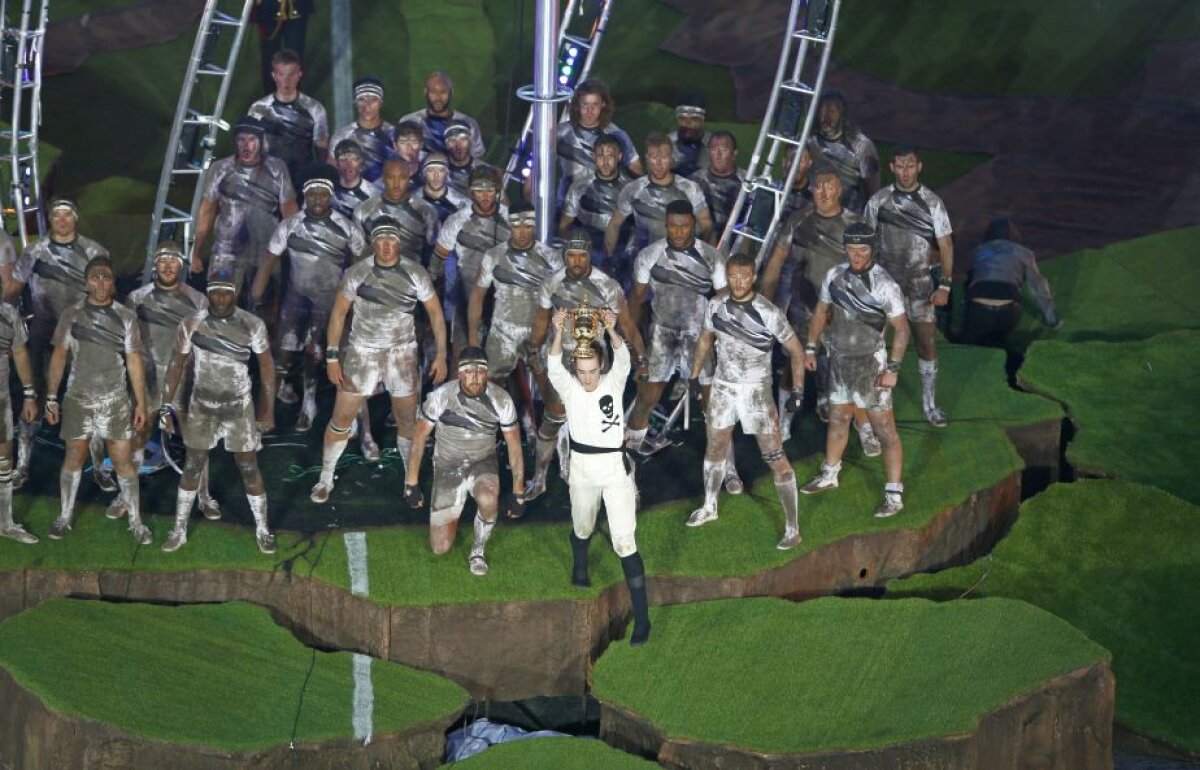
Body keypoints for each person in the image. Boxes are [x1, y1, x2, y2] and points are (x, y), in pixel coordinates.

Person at [310, 218, 448, 503]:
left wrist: (442, 355)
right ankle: (325, 478)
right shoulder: (357, 272)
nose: (386, 245)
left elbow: (435, 313)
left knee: (407, 421)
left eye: (391, 239)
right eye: (380, 239)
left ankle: (410, 482)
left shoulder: (415, 273)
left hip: (402, 354)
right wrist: (333, 356)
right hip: (363, 352)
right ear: (373, 242)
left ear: (399, 241)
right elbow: (338, 314)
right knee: (341, 418)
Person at [685, 252, 805, 550]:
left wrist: (799, 391)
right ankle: (710, 506)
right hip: (724, 387)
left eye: (744, 276)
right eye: (733, 276)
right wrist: (695, 373)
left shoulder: (769, 312)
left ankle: (793, 529)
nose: (738, 282)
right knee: (715, 446)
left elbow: (797, 351)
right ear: (727, 276)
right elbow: (705, 338)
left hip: (756, 391)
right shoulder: (716, 305)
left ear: (753, 277)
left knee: (774, 456)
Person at [547, 306, 650, 647]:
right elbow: (552, 365)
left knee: (624, 542)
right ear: (575, 367)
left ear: (599, 366)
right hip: (581, 469)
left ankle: (643, 620)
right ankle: (580, 569)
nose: (587, 377)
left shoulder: (613, 381)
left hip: (613, 470)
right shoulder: (570, 387)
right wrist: (558, 330)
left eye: (592, 369)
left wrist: (612, 328)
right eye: (582, 370)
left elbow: (624, 359)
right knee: (582, 526)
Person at [158, 267, 278, 554]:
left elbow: (267, 368)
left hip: (239, 407)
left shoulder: (252, 324)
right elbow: (176, 364)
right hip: (203, 406)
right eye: (215, 291)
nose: (221, 297)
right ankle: (179, 530)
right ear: (208, 293)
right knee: (192, 465)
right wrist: (166, 404)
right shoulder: (191, 323)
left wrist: (267, 410)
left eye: (226, 291)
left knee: (249, 466)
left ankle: (263, 529)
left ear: (234, 293)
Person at [760, 167, 879, 454]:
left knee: (851, 373)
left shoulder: (854, 224)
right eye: (818, 187)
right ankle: (783, 422)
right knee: (793, 366)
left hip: (844, 314)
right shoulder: (798, 220)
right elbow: (776, 260)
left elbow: (869, 271)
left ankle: (864, 429)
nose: (823, 193)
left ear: (839, 190)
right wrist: (765, 303)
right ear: (812, 190)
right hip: (803, 309)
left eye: (830, 186)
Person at [525, 228, 645, 500]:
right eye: (571, 256)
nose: (576, 262)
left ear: (589, 255)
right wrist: (533, 349)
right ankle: (540, 477)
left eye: (581, 256)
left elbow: (627, 325)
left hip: (596, 366)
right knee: (553, 418)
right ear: (564, 256)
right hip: (564, 362)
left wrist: (641, 359)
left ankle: (625, 482)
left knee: (606, 426)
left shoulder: (607, 286)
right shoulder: (551, 284)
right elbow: (542, 320)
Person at [800, 223, 910, 518]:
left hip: (870, 366)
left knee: (885, 431)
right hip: (839, 362)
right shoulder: (835, 276)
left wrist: (894, 369)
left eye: (862, 249)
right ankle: (830, 474)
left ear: (873, 249)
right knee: (838, 420)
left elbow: (901, 330)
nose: (856, 255)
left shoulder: (884, 285)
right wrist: (811, 348)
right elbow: (822, 311)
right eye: (851, 249)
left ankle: (894, 494)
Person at [5, 199, 112, 490]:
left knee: (92, 401)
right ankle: (23, 466)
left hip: (83, 337)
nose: (62, 221)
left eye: (67, 215)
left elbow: (105, 292)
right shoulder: (35, 251)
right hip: (43, 336)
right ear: (50, 219)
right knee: (34, 399)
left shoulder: (94, 251)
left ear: (75, 219)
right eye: (56, 215)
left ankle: (99, 467)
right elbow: (14, 288)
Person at [44, 256, 152, 545]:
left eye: (106, 277)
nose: (100, 283)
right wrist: (51, 398)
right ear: (86, 282)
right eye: (95, 277)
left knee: (123, 463)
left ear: (113, 283)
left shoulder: (126, 317)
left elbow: (133, 360)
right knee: (74, 458)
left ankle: (136, 522)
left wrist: (140, 402)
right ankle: (64, 517)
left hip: (115, 401)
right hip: (78, 398)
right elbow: (59, 357)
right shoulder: (72, 314)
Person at [253, 166, 367, 431]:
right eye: (312, 194)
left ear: (331, 196)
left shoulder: (345, 227)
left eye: (323, 194)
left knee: (314, 351)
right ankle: (268, 408)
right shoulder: (291, 225)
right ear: (305, 195)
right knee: (282, 351)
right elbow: (270, 259)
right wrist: (256, 293)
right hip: (296, 298)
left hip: (327, 301)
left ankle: (309, 403)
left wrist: (358, 299)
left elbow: (362, 262)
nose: (317, 200)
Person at [625, 201, 730, 478]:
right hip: (662, 334)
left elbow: (723, 302)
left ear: (693, 225)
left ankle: (726, 466)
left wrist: (723, 342)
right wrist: (630, 341)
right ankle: (628, 453)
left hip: (698, 337)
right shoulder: (650, 255)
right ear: (666, 225)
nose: (678, 231)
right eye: (673, 225)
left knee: (711, 404)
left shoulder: (711, 258)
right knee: (647, 397)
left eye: (684, 226)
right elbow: (636, 299)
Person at [403, 347, 524, 576]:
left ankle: (478, 550)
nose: (476, 377)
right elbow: (419, 437)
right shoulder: (441, 397)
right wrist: (411, 484)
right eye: (469, 372)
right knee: (440, 547)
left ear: (487, 373)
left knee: (488, 499)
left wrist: (518, 492)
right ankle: (453, 507)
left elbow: (514, 446)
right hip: (448, 466)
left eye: (480, 371)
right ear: (459, 374)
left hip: (482, 462)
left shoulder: (501, 400)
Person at [121, 242, 215, 519]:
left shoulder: (198, 300)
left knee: (196, 441)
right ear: (154, 266)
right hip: (148, 380)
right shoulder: (136, 298)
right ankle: (124, 496)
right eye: (162, 261)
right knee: (138, 435)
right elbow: (128, 346)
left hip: (185, 380)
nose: (168, 266)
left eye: (173, 261)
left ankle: (204, 496)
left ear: (182, 265)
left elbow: (207, 344)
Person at [864, 145, 954, 427]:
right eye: (900, 166)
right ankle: (873, 405)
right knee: (875, 345)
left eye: (910, 166)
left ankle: (929, 405)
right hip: (884, 288)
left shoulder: (933, 203)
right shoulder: (878, 201)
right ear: (892, 167)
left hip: (920, 288)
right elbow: (864, 243)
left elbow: (946, 246)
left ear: (919, 167)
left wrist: (946, 286)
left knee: (926, 343)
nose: (905, 171)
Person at [191, 116, 297, 301]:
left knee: (263, 306)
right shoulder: (220, 168)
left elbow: (289, 209)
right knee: (219, 305)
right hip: (226, 252)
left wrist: (295, 252)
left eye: (251, 139)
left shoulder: (276, 168)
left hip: (265, 252)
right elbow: (207, 210)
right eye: (241, 139)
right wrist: (196, 251)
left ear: (260, 141)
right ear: (235, 141)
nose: (246, 145)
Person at [468, 202, 563, 387]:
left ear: (534, 225)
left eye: (527, 227)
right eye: (517, 227)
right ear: (510, 225)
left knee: (550, 389)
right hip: (503, 332)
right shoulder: (494, 255)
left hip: (540, 333)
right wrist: (473, 336)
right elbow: (477, 295)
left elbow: (563, 300)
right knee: (488, 386)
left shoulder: (551, 258)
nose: (522, 232)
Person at [605, 132, 711, 285]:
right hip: (641, 262)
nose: (659, 163)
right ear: (647, 158)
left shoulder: (689, 188)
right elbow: (614, 223)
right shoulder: (633, 189)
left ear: (671, 158)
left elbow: (706, 224)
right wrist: (610, 257)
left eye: (664, 157)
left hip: (680, 265)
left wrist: (702, 260)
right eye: (654, 157)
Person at [432, 165, 510, 354]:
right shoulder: (458, 220)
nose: (485, 196)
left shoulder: (509, 219)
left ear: (497, 192)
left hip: (500, 293)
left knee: (498, 356)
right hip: (466, 290)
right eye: (479, 190)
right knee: (462, 352)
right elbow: (438, 259)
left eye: (490, 190)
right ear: (471, 192)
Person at [960, 216, 1061, 346]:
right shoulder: (1024, 253)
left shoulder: (977, 252)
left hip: (978, 312)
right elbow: (1038, 286)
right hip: (1007, 313)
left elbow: (969, 283)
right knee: (1000, 340)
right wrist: (1052, 320)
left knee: (970, 343)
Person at [247, 48, 329, 182]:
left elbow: (322, 151)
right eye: (281, 74)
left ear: (299, 74)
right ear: (274, 75)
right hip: (269, 180)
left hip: (302, 180)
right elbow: (251, 147)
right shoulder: (258, 109)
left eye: (291, 74)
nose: (287, 80)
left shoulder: (315, 109)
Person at [555, 78, 642, 201]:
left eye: (594, 104)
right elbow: (538, 167)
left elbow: (637, 172)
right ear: (577, 105)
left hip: (607, 209)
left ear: (603, 104)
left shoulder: (617, 135)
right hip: (567, 206)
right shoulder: (560, 133)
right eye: (585, 104)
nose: (589, 111)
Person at [558, 134, 631, 272]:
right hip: (588, 248)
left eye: (610, 156)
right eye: (600, 156)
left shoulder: (630, 189)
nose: (605, 161)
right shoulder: (579, 186)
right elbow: (564, 226)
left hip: (620, 250)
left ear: (619, 157)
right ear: (593, 156)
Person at [0, 300, 38, 543]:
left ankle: (5, 523)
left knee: (4, 461)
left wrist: (29, 394)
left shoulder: (8, 313)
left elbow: (20, 352)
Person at [804, 90, 879, 213]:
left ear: (842, 115)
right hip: (814, 212)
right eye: (821, 111)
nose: (825, 117)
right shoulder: (810, 141)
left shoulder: (863, 146)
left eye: (831, 112)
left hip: (847, 213)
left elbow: (873, 191)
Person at [354, 157, 439, 263]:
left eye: (402, 178)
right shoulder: (363, 211)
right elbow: (358, 254)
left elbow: (436, 254)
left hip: (413, 275)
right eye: (391, 177)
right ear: (383, 179)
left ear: (409, 179)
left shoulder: (427, 212)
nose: (396, 184)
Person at [398, 71, 486, 159]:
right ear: (425, 92)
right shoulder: (409, 121)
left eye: (443, 92)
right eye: (433, 92)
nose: (438, 98)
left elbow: (477, 157)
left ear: (451, 92)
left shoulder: (468, 123)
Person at [327, 77, 393, 183]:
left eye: (373, 100)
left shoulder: (393, 134)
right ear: (355, 102)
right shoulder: (342, 136)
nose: (367, 106)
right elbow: (331, 171)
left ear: (380, 103)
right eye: (361, 99)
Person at [689, 130, 746, 241]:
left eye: (724, 150)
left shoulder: (748, 183)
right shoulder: (694, 181)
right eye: (714, 150)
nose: (718, 155)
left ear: (734, 153)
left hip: (737, 244)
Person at [251, 0, 313, 96]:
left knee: (295, 56)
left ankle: (293, 100)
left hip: (296, 5)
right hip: (268, 7)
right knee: (269, 56)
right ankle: (271, 100)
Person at [330, 139, 380, 218]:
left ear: (360, 161)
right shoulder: (328, 192)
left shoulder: (373, 193)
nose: (349, 164)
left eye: (354, 159)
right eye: (343, 160)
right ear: (337, 163)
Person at [420, 152, 469, 225]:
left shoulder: (463, 204)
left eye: (441, 170)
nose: (436, 176)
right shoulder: (413, 199)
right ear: (424, 173)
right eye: (431, 170)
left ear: (447, 173)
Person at [669, 93, 711, 178]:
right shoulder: (666, 143)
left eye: (694, 119)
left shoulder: (714, 144)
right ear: (677, 120)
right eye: (683, 119)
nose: (688, 124)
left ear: (702, 121)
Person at [443, 121, 478, 197]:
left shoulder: (486, 171)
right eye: (452, 140)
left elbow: (504, 206)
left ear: (470, 141)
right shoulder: (437, 170)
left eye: (463, 139)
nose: (458, 146)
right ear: (446, 145)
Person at [390, 120, 426, 187]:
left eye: (414, 142)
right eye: (403, 142)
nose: (408, 147)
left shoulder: (428, 176)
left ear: (421, 145)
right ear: (395, 145)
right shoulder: (384, 176)